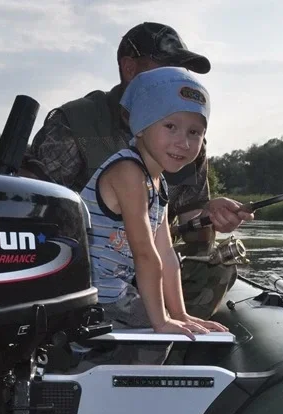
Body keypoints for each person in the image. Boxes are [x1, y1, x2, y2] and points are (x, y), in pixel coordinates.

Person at [20, 22, 253, 318]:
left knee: (217, 266)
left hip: (149, 261)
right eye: (166, 68)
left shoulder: (188, 139)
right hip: (81, 267)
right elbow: (30, 210)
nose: (178, 78)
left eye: (183, 70)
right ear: (129, 68)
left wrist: (213, 215)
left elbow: (192, 229)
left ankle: (174, 348)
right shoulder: (75, 122)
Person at [79, 67, 226, 365]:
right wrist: (161, 322)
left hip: (115, 293)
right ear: (141, 127)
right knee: (159, 333)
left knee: (169, 328)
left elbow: (166, 254)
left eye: (194, 132)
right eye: (170, 126)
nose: (183, 143)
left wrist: (179, 313)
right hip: (92, 296)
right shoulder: (128, 172)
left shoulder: (158, 183)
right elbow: (146, 255)